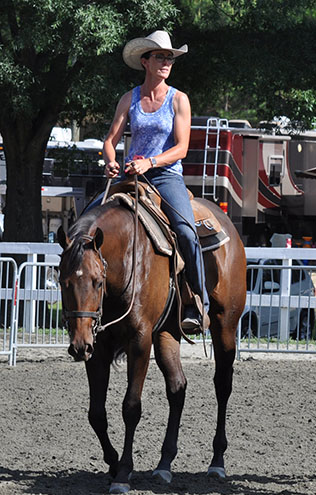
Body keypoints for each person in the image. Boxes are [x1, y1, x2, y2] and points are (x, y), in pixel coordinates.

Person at [98, 30, 209, 334]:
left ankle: (198, 302)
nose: (166, 61)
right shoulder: (129, 99)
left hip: (165, 175)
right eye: (160, 56)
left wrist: (151, 161)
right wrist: (111, 161)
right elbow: (110, 140)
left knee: (186, 232)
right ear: (144, 61)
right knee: (88, 224)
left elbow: (182, 148)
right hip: (130, 175)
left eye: (170, 57)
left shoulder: (179, 100)